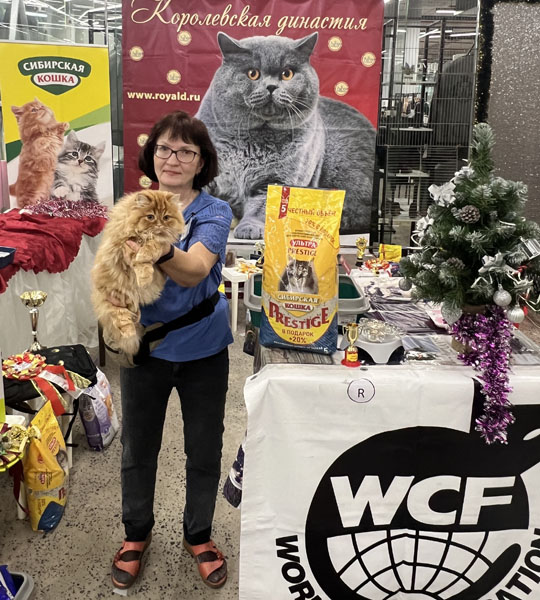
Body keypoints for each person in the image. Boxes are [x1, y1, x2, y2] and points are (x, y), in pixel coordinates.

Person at [110, 111, 233, 590]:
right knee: (138, 448)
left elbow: (195, 270)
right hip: (146, 349)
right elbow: (114, 272)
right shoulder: (131, 206)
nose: (173, 158)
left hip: (204, 348)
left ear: (201, 162)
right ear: (152, 154)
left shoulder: (214, 212)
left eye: (186, 151)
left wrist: (152, 244)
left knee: (204, 448)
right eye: (164, 148)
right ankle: (136, 533)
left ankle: (198, 534)